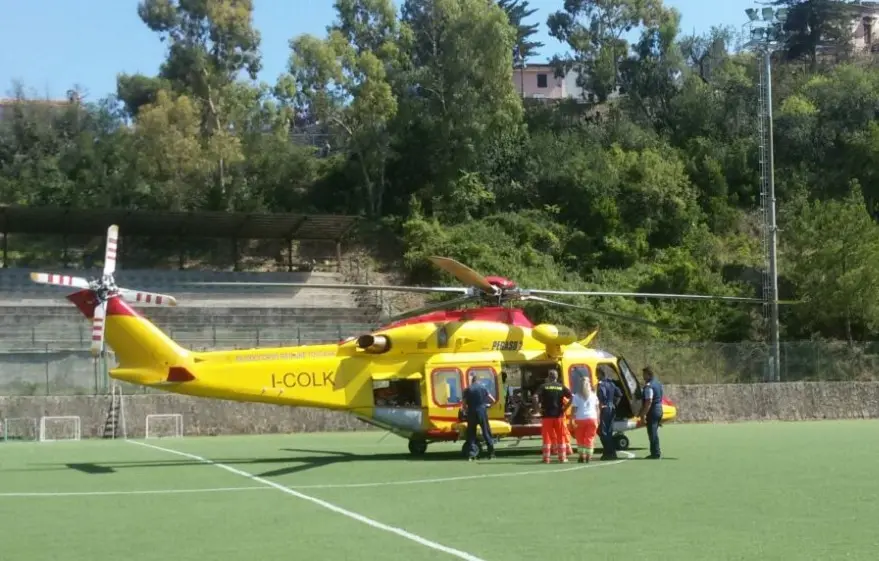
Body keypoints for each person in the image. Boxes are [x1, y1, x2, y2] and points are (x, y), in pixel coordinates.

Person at [535, 369, 572, 463]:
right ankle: (562, 458)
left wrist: (538, 409)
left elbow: (535, 397)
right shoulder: (561, 387)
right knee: (561, 436)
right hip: (559, 415)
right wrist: (565, 408)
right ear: (557, 377)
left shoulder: (543, 386)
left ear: (548, 376)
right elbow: (572, 397)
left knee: (547, 437)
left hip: (547, 416)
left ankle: (546, 458)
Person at [461, 372, 496, 461]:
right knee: (486, 432)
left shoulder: (467, 389)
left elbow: (464, 405)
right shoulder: (483, 388)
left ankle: (471, 454)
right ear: (478, 380)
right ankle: (491, 453)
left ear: (472, 381)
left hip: (471, 412)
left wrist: (465, 411)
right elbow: (493, 400)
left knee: (471, 433)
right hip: (482, 412)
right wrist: (487, 405)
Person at [570, 377, 599, 463]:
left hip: (580, 419)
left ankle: (581, 456)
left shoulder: (576, 396)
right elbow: (597, 408)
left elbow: (574, 410)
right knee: (589, 438)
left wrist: (572, 419)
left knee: (580, 438)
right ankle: (589, 456)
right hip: (592, 419)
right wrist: (598, 418)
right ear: (589, 384)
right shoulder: (594, 395)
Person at [596, 366, 622, 460]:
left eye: (597, 373)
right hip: (612, 408)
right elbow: (619, 394)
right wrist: (615, 404)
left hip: (604, 408)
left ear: (600, 374)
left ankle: (609, 452)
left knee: (602, 431)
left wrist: (599, 409)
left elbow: (600, 397)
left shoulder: (601, 385)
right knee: (609, 431)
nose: (596, 376)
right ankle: (610, 452)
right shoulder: (611, 383)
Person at [638, 366, 663, 459]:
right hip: (659, 409)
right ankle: (655, 452)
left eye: (644, 374)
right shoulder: (658, 383)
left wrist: (643, 414)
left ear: (648, 374)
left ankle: (656, 453)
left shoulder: (649, 386)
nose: (643, 376)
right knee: (654, 432)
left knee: (652, 433)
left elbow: (648, 402)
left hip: (652, 411)